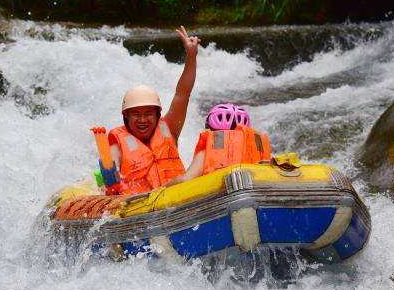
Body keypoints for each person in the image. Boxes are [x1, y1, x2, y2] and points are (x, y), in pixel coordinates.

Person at [107, 26, 200, 195]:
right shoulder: (117, 145)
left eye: (148, 113)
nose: (143, 120)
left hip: (178, 201)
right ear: (126, 117)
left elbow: (183, 94)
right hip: (140, 209)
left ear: (158, 115)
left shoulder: (169, 129)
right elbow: (110, 178)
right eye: (136, 114)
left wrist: (192, 56)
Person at [165, 103, 271, 186]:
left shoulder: (206, 153)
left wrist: (160, 189)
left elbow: (185, 180)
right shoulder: (257, 148)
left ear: (210, 129)